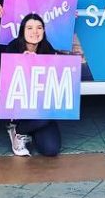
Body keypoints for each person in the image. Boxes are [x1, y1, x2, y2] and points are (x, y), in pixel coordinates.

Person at [4, 13, 64, 157]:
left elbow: (56, 80)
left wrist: (40, 63)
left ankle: (28, 130)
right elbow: (4, 81)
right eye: (29, 28)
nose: (35, 32)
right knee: (43, 117)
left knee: (51, 149)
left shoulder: (47, 48)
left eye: (39, 28)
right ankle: (17, 130)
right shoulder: (13, 47)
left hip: (39, 105)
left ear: (44, 31)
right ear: (22, 31)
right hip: (20, 108)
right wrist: (23, 64)